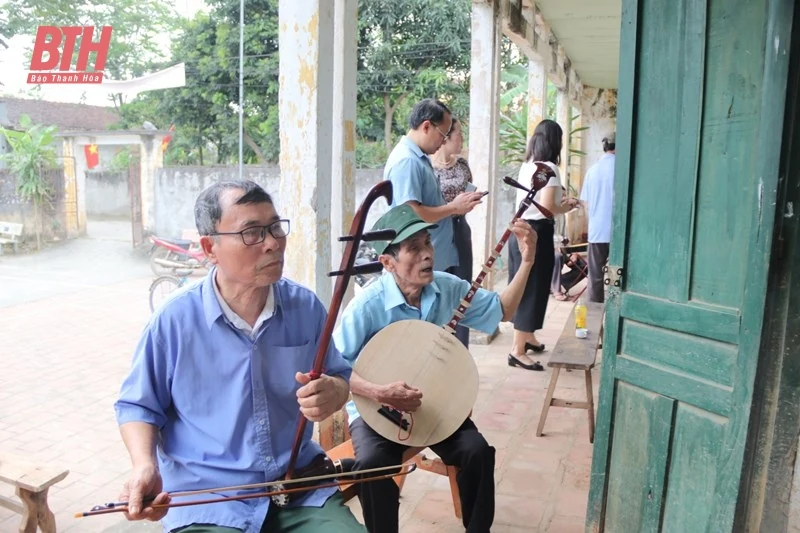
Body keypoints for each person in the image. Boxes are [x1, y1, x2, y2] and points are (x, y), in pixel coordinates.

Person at [114, 180, 365, 533]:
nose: (273, 243)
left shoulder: (304, 307)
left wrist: (335, 392)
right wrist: (144, 465)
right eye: (252, 233)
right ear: (209, 248)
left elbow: (339, 376)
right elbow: (138, 406)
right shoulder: (172, 322)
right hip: (208, 497)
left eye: (276, 227)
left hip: (297, 485)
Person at [332, 204, 538, 533]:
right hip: (378, 410)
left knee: (477, 453)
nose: (427, 254)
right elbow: (335, 369)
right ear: (388, 262)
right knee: (371, 466)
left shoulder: (447, 288)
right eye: (414, 249)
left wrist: (527, 261)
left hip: (436, 406)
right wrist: (380, 392)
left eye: (427, 243)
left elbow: (503, 311)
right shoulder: (366, 307)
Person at [507, 120, 579, 371]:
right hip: (536, 232)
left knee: (524, 285)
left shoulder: (528, 166)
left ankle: (527, 337)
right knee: (533, 287)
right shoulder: (549, 168)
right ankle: (517, 350)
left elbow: (539, 201)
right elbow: (548, 208)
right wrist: (567, 206)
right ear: (555, 141)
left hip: (520, 228)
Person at [384, 98, 485, 275]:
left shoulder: (419, 158)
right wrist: (454, 207)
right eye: (443, 134)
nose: (444, 141)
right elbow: (411, 215)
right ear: (426, 127)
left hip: (434, 256)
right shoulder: (407, 161)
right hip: (418, 264)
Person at [431, 116, 475, 348]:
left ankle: (460, 351)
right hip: (437, 234)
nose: (462, 139)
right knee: (437, 291)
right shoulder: (427, 167)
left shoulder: (462, 165)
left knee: (462, 292)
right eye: (459, 134)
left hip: (460, 231)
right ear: (446, 137)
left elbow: (469, 188)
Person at [580, 132, 616, 303]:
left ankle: (594, 317)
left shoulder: (592, 171)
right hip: (620, 232)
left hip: (598, 232)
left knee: (595, 277)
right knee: (619, 276)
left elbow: (585, 204)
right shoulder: (625, 169)